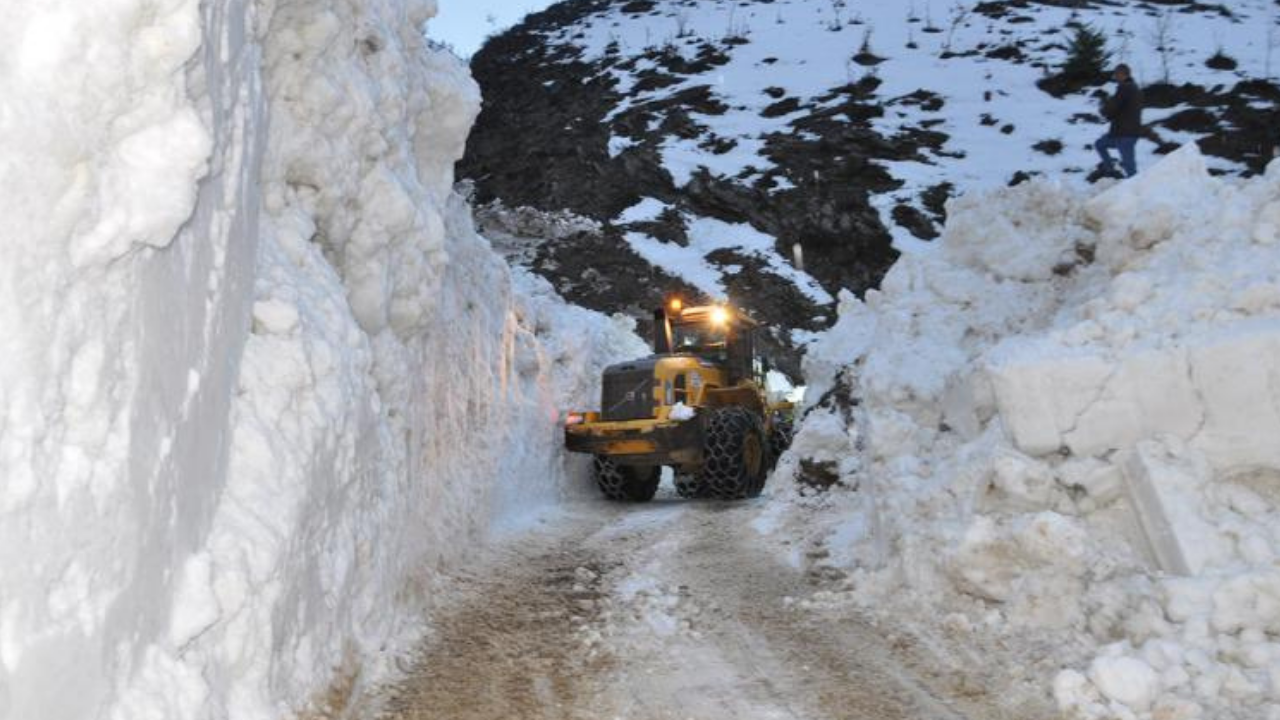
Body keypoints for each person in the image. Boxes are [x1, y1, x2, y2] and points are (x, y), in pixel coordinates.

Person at [1095, 64, 1143, 178]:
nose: (1115, 77)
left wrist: (1104, 109)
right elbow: (1120, 108)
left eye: (1116, 74)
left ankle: (1137, 186)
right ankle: (1110, 170)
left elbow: (1113, 107)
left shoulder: (1125, 88)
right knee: (1100, 144)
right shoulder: (1134, 88)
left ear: (1123, 74)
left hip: (1125, 134)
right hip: (1121, 132)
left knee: (1130, 168)